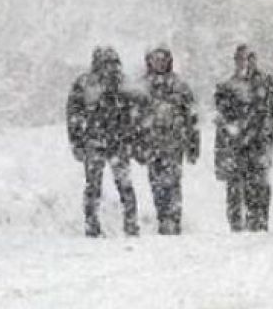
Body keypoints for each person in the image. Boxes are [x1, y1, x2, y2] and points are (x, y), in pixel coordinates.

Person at [66, 46, 140, 238]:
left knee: (121, 185)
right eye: (105, 63)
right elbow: (74, 113)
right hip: (97, 141)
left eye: (112, 63)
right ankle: (94, 224)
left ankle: (129, 224)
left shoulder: (122, 84)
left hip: (115, 141)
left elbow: (135, 113)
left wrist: (132, 136)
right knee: (95, 186)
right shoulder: (86, 84)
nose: (109, 68)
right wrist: (76, 141)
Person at [215, 44, 273, 232]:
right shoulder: (227, 87)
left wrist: (270, 124)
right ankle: (237, 222)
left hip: (260, 141)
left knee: (259, 182)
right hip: (236, 142)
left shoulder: (268, 83)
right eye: (241, 59)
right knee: (235, 183)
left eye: (249, 59)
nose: (245, 63)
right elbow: (222, 114)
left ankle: (258, 220)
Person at [137, 47, 199, 235]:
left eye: (163, 59)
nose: (159, 63)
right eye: (156, 59)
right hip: (152, 144)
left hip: (174, 144)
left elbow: (191, 117)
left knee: (173, 182)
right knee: (156, 184)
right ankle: (163, 218)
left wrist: (193, 144)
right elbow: (134, 118)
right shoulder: (142, 87)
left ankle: (174, 219)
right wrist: (136, 144)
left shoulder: (179, 85)